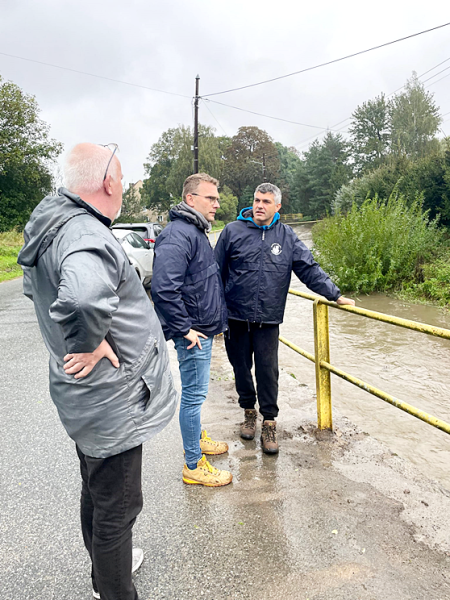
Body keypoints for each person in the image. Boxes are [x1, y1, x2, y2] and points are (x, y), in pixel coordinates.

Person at [17, 143, 178, 600]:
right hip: (112, 401)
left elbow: (35, 287)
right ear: (108, 182)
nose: (123, 185)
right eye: (122, 177)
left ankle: (106, 571)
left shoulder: (51, 225)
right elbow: (84, 298)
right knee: (118, 508)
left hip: (85, 396)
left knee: (97, 488)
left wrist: (71, 333)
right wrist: (86, 339)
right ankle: (113, 586)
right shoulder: (85, 232)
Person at [214, 182, 355, 454]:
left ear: (277, 206)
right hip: (235, 317)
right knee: (241, 368)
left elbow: (309, 269)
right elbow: (215, 273)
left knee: (268, 371)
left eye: (266, 202)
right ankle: (248, 413)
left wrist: (334, 295)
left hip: (268, 319)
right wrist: (214, 315)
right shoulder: (232, 231)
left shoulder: (287, 237)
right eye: (256, 200)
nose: (259, 205)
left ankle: (269, 422)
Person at [151, 173, 232, 487]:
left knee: (196, 395)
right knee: (193, 397)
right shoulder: (177, 235)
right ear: (190, 199)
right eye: (210, 198)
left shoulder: (194, 231)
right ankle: (192, 464)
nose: (216, 203)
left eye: (216, 198)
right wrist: (184, 329)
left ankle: (197, 442)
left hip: (202, 328)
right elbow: (163, 289)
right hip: (193, 333)